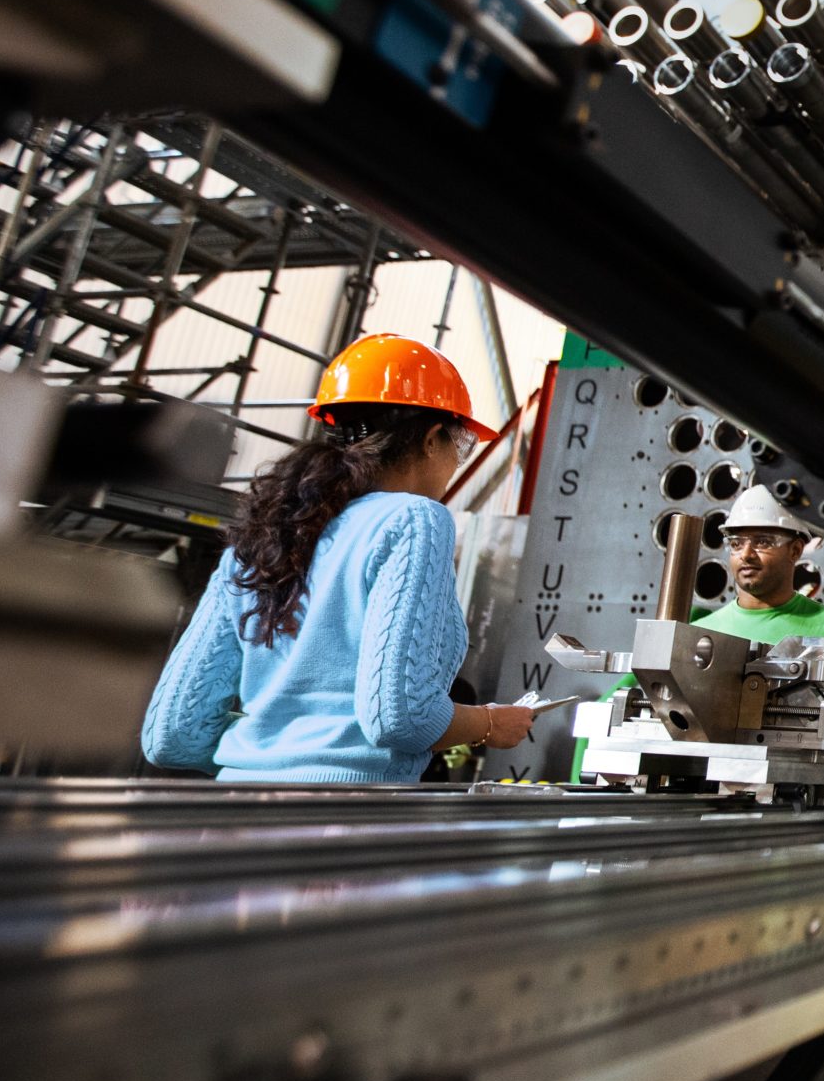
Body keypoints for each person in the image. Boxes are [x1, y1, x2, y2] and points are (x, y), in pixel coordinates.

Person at [141, 334, 538, 782]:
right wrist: (490, 723)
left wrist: (275, 743)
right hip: (342, 823)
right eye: (458, 447)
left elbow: (173, 734)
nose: (454, 466)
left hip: (229, 815)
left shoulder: (263, 534)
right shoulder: (412, 519)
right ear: (431, 439)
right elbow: (400, 717)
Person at [672, 485, 824, 709]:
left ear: (795, 550)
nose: (745, 554)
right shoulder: (698, 632)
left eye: (762, 542)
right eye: (736, 543)